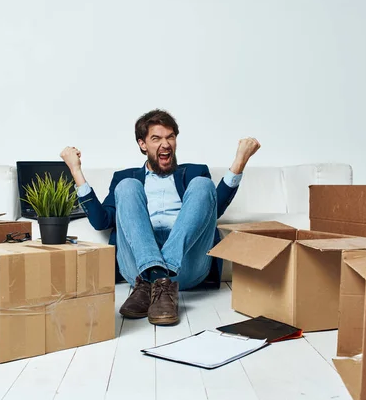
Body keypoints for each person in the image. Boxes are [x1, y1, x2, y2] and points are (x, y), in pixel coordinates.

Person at [60, 109, 260, 326]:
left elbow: (214, 208)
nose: (165, 144)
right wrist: (76, 170)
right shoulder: (124, 177)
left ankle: (156, 277)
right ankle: (156, 276)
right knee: (127, 187)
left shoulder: (195, 172)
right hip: (137, 266)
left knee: (204, 185)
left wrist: (240, 160)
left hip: (187, 264)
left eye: (170, 137)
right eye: (156, 138)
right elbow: (101, 221)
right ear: (142, 144)